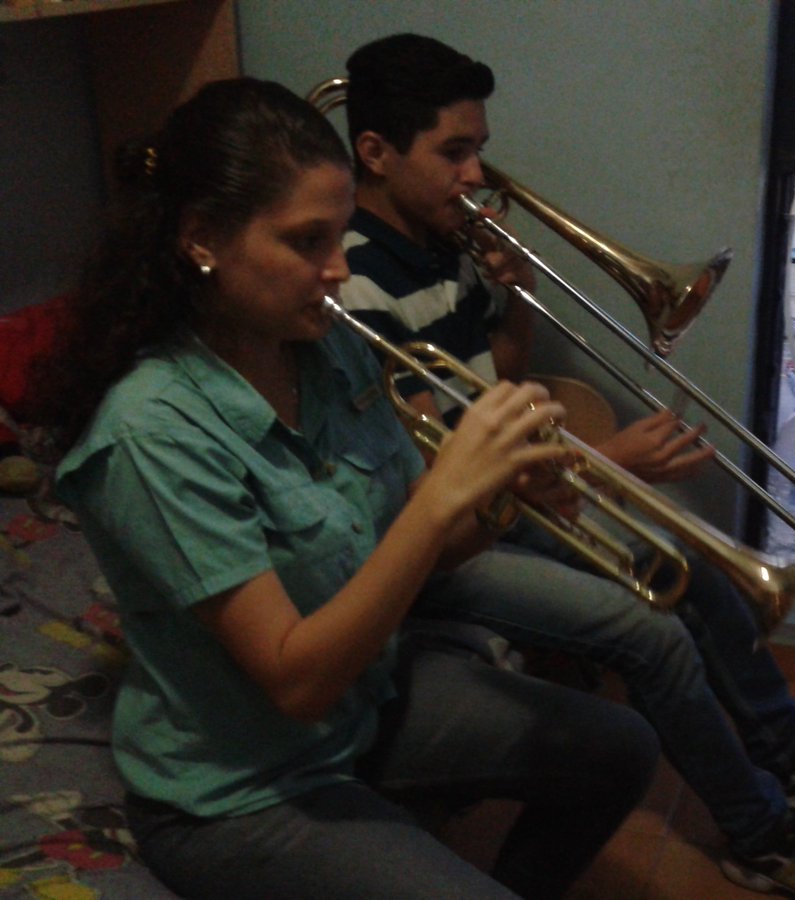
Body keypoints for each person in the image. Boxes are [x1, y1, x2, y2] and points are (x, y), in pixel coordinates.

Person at [31, 77, 662, 900]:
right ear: (202, 240)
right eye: (306, 242)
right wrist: (442, 503)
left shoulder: (327, 352)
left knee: (623, 748)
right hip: (243, 791)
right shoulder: (151, 432)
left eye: (342, 236)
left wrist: (506, 500)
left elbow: (412, 551)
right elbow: (297, 682)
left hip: (359, 711)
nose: (338, 270)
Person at [337, 33, 795, 900]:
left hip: (508, 493)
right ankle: (760, 835)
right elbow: (432, 478)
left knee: (699, 565)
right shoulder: (352, 283)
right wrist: (601, 461)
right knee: (649, 630)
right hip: (441, 544)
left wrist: (512, 303)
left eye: (479, 151)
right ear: (375, 154)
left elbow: (491, 380)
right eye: (453, 152)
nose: (475, 175)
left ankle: (786, 751)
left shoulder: (437, 245)